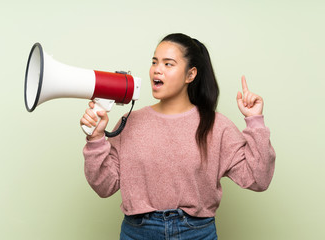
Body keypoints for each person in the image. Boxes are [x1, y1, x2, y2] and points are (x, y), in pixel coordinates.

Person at [80, 33, 276, 240]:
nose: (157, 69)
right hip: (137, 233)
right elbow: (104, 186)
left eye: (168, 64)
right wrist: (96, 138)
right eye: (154, 61)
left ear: (190, 75)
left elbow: (259, 179)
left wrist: (255, 121)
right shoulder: (130, 122)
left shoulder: (217, 126)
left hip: (196, 234)